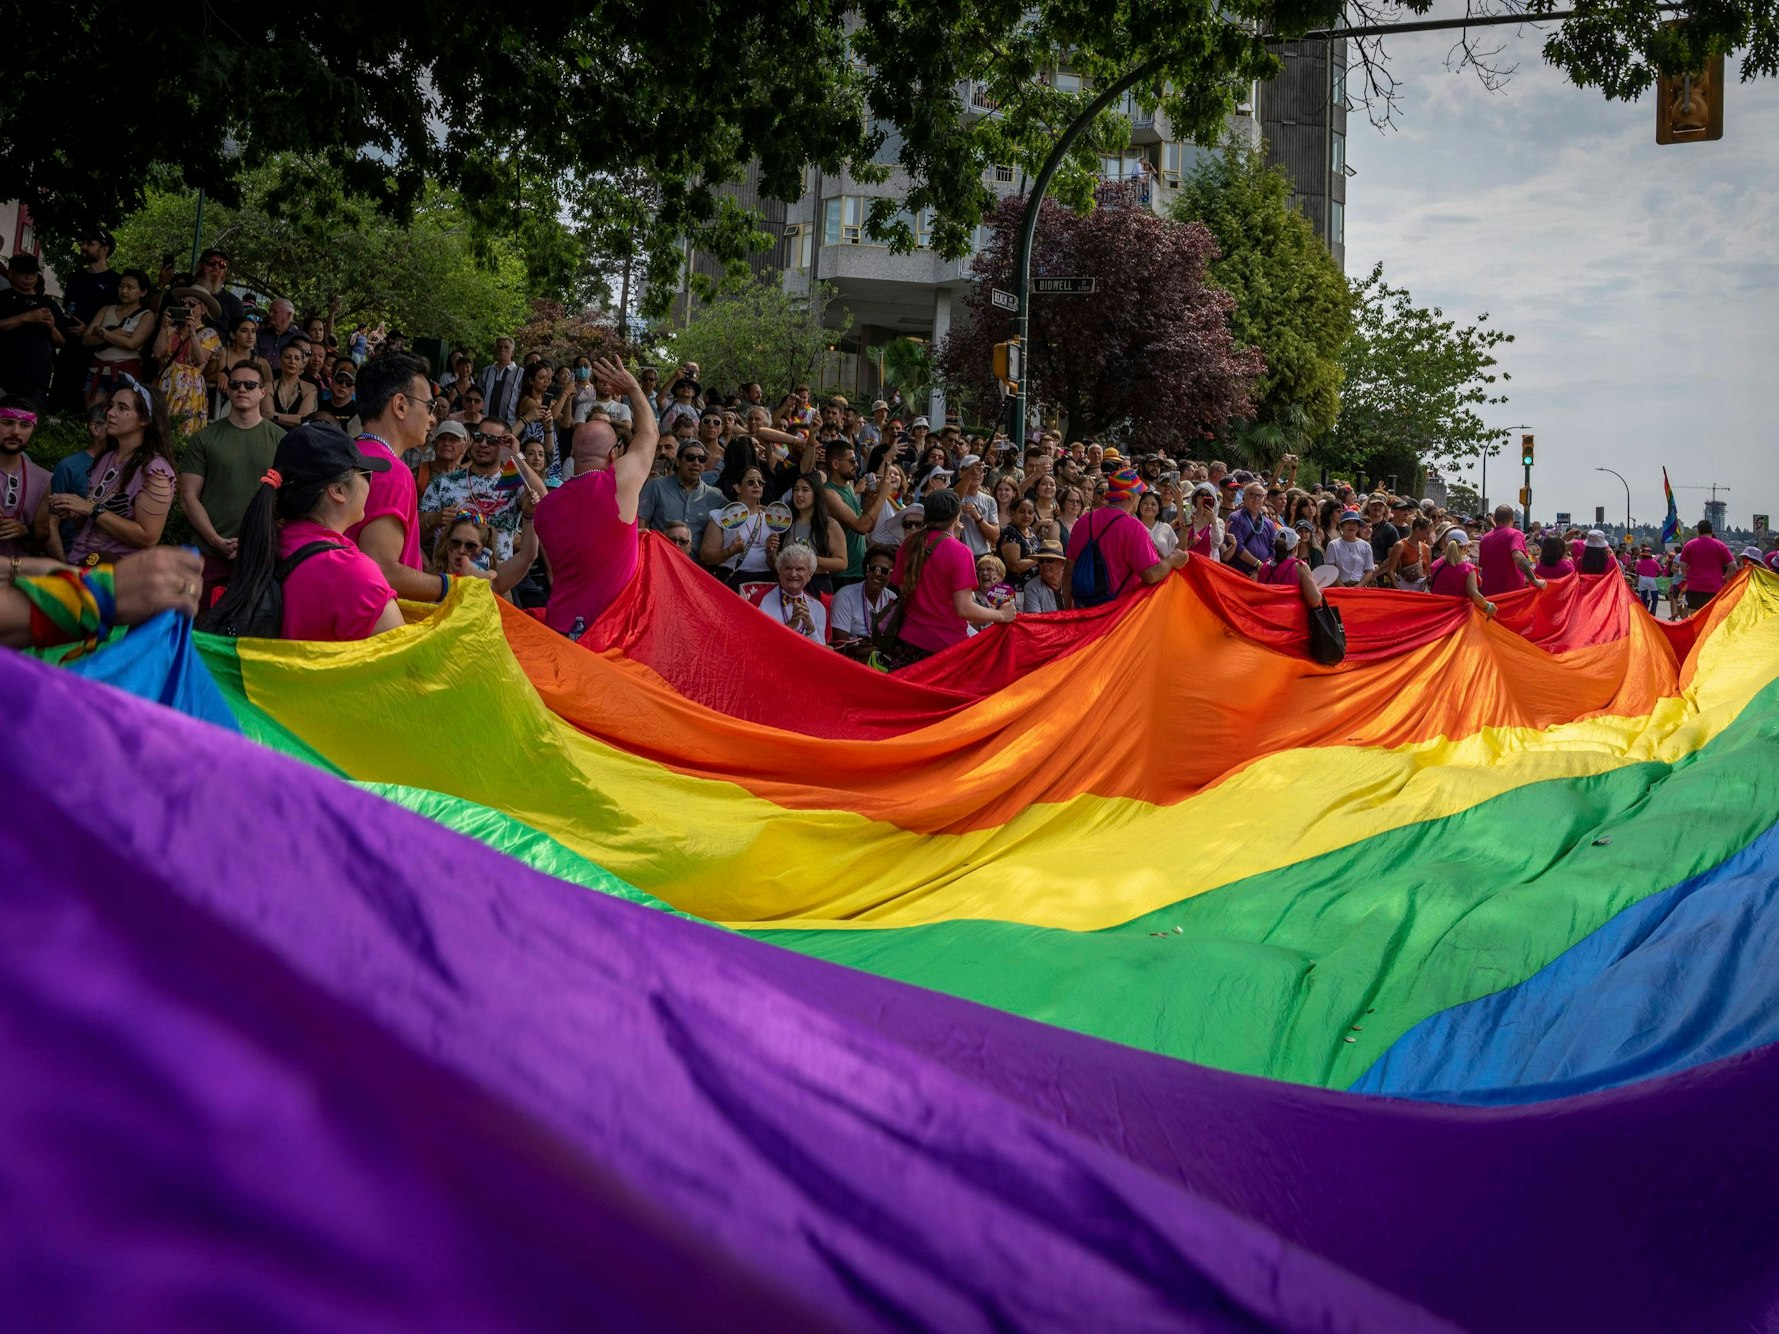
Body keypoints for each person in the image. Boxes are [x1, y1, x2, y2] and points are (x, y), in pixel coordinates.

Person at [199, 421, 402, 641]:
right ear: (338, 490)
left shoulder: (266, 542)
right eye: (366, 473)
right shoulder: (356, 575)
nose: (369, 482)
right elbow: (405, 664)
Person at [534, 358, 659, 636]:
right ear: (613, 455)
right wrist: (633, 388)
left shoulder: (545, 508)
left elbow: (554, 569)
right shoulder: (619, 486)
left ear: (573, 455)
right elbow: (649, 434)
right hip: (610, 633)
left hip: (560, 630)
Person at [348, 353, 450, 606]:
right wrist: (452, 585)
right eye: (429, 406)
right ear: (400, 406)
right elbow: (381, 570)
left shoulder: (347, 454)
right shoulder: (392, 471)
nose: (433, 418)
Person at [179, 360, 286, 597]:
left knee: (255, 626)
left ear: (262, 392)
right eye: (235, 384)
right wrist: (216, 540)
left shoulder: (281, 440)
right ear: (227, 389)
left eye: (249, 385)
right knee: (199, 625)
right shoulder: (204, 438)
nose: (242, 390)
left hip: (262, 552)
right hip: (208, 553)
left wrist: (257, 540)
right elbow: (188, 497)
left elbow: (288, 500)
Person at [54, 378, 177, 565]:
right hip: (82, 562)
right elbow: (92, 521)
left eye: (122, 408)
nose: (110, 413)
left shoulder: (155, 471)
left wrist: (92, 509)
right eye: (111, 406)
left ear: (144, 419)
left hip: (118, 573)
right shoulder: (106, 458)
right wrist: (75, 513)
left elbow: (148, 538)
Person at [887, 489, 1015, 666]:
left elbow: (902, 588)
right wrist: (1001, 615)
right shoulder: (960, 551)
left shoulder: (909, 544)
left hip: (908, 641)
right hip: (945, 646)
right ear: (956, 516)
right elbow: (964, 609)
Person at [418, 416, 542, 563]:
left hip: (497, 580)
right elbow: (415, 534)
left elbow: (543, 497)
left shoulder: (513, 483)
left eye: (491, 440)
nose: (483, 444)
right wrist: (435, 519)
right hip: (448, 580)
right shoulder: (443, 482)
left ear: (505, 446)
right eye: (478, 437)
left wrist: (515, 455)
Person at [1064, 470, 1191, 606]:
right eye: (1139, 494)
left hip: (1084, 611)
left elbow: (1068, 572)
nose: (1139, 498)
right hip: (1118, 614)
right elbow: (1151, 575)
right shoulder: (1133, 526)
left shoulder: (1083, 521)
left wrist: (1068, 612)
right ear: (1131, 496)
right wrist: (1172, 559)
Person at [79, 268, 155, 406]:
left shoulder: (146, 315)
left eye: (130, 287)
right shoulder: (106, 309)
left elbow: (132, 344)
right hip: (98, 371)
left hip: (126, 373)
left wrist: (104, 332)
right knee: (96, 418)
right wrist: (116, 334)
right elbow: (86, 339)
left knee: (121, 417)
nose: (124, 291)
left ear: (142, 292)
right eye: (121, 286)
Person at [821, 440, 891, 587]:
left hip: (857, 572)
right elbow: (861, 527)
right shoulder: (829, 493)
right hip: (842, 576)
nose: (857, 465)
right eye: (852, 461)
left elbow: (868, 526)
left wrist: (871, 500)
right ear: (835, 464)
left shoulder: (847, 487)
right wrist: (883, 495)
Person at [152, 287, 222, 433]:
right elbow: (158, 353)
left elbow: (201, 359)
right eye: (184, 302)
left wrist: (192, 332)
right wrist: (164, 327)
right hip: (166, 383)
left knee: (185, 429)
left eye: (192, 304)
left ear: (203, 310)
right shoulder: (172, 330)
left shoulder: (209, 333)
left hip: (190, 389)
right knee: (159, 427)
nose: (186, 306)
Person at [0, 253, 66, 406]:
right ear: (11, 273)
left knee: (30, 418)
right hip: (4, 373)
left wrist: (51, 327)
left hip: (36, 377)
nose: (29, 278)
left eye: (32, 274)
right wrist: (26, 317)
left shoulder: (48, 303)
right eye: (24, 273)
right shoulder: (3, 298)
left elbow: (60, 341)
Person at [432, 507, 539, 600]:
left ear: (484, 550)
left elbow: (527, 556)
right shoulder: (430, 579)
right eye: (455, 543)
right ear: (446, 544)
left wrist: (529, 516)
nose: (461, 550)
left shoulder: (491, 580)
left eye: (470, 546)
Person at [47, 404, 111, 558]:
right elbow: (50, 524)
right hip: (73, 558)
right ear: (95, 428)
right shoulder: (69, 466)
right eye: (111, 423)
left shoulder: (126, 468)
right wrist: (63, 566)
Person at [638, 436, 726, 543]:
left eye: (701, 459)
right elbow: (640, 524)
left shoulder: (715, 496)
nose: (696, 463)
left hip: (694, 559)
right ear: (678, 461)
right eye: (690, 457)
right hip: (661, 556)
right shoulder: (656, 486)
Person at [699, 466, 773, 587]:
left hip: (764, 582)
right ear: (737, 487)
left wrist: (772, 553)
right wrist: (730, 551)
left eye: (761, 482)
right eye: (750, 482)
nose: (756, 485)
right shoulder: (721, 516)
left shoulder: (771, 518)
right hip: (731, 579)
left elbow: (778, 564)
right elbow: (706, 556)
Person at [771, 472, 845, 591]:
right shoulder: (785, 522)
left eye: (805, 490)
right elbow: (776, 564)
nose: (799, 494)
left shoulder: (829, 525)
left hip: (817, 585)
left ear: (816, 494)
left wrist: (809, 560)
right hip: (788, 584)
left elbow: (842, 563)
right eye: (796, 490)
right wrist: (771, 552)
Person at [0, 394, 51, 560]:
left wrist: (24, 530)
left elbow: (43, 535)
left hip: (15, 574)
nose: (15, 432)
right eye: (7, 423)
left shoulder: (43, 478)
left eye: (24, 425)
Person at [757, 542, 828, 641]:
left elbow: (822, 654)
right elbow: (756, 643)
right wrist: (789, 626)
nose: (793, 574)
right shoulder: (760, 600)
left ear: (810, 574)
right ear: (779, 571)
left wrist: (810, 628)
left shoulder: (818, 607)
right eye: (788, 568)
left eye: (800, 569)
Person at [830, 544, 898, 645]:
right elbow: (841, 643)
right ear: (866, 569)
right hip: (851, 657)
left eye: (884, 571)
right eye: (873, 568)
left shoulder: (893, 598)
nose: (877, 573)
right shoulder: (845, 596)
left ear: (891, 575)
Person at [1478, 504, 1545, 595]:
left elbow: (1482, 566)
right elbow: (1518, 556)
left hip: (1489, 596)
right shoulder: (1516, 534)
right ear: (1512, 520)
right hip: (1511, 594)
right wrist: (1534, 580)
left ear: (1495, 520)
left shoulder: (1485, 538)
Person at [1430, 529, 1496, 616]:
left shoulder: (1435, 565)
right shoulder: (1468, 569)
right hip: (1457, 616)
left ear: (1445, 545)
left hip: (1437, 613)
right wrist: (1488, 606)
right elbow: (1474, 594)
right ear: (1465, 548)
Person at [1678, 518, 1734, 614]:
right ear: (1712, 531)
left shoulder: (1689, 545)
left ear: (1698, 531)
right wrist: (1725, 578)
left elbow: (1682, 565)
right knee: (1711, 616)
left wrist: (1687, 575)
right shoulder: (1721, 546)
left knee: (1694, 615)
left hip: (1694, 587)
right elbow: (1733, 566)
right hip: (1714, 587)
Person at [1261, 528, 1326, 609]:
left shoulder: (1263, 566)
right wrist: (1318, 589)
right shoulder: (1301, 567)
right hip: (1292, 618)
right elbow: (1315, 601)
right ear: (1295, 547)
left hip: (1266, 616)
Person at [1224, 481, 1277, 577]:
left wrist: (1260, 570)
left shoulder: (1269, 524)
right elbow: (1238, 547)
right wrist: (1258, 564)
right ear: (1245, 496)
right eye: (1252, 495)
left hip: (1260, 574)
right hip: (1239, 572)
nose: (1256, 498)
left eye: (1260, 496)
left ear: (1264, 499)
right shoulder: (1235, 518)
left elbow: (1272, 552)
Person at [1381, 514, 1434, 591]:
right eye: (1426, 533)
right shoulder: (1400, 545)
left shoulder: (1427, 548)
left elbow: (1428, 574)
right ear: (1418, 530)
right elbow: (1391, 571)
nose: (1428, 537)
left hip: (1421, 591)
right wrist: (1398, 589)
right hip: (1404, 588)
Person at [1323, 510, 1376, 588]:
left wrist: (1358, 587)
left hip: (1360, 588)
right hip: (1339, 588)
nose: (1351, 526)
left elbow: (1369, 571)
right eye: (1348, 523)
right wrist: (1343, 588)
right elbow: (1331, 570)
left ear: (1358, 526)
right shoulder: (1333, 545)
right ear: (1342, 526)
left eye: (1354, 523)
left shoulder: (1365, 546)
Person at [999, 496, 1042, 588]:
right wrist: (1039, 559)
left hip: (1035, 588)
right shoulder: (1010, 532)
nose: (1026, 515)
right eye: (1022, 511)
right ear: (1012, 513)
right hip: (1017, 589)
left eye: (1030, 512)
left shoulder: (1031, 531)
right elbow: (1014, 566)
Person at [1019, 538, 1070, 612]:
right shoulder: (1031, 587)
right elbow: (1035, 620)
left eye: (1050, 560)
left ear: (1062, 564)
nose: (1044, 564)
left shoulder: (1072, 583)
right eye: (1041, 561)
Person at [1181, 483, 1223, 561]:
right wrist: (1188, 544)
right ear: (1195, 498)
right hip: (1187, 563)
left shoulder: (1218, 522)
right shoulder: (1187, 518)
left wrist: (1213, 522)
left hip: (1207, 566)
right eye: (1201, 495)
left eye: (1208, 495)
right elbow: (1177, 545)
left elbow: (1216, 543)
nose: (1204, 498)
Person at [1136, 490, 1178, 558]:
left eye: (1153, 504)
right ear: (1139, 506)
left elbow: (1177, 551)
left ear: (1159, 510)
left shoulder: (1166, 528)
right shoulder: (1133, 528)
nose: (1149, 506)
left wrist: (1185, 533)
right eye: (1145, 503)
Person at [1632, 544, 1664, 613]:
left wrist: (1636, 581)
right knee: (1655, 598)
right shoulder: (1654, 562)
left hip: (1642, 579)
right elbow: (1660, 571)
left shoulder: (1639, 562)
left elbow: (1637, 573)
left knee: (1644, 598)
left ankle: (1644, 612)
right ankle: (1653, 611)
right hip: (1651, 579)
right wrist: (1656, 575)